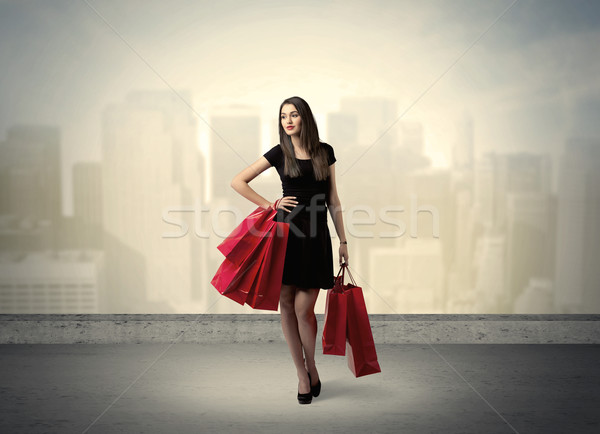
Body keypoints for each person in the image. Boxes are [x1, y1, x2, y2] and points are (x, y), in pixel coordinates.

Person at [230, 96, 349, 404]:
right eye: (283, 116)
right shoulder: (279, 152)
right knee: (286, 304)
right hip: (285, 235)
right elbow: (238, 181)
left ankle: (312, 366)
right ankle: (301, 375)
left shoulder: (325, 152)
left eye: (294, 114)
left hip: (316, 237)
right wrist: (270, 205)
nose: (288, 120)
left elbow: (333, 200)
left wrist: (344, 241)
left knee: (304, 310)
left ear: (304, 117)